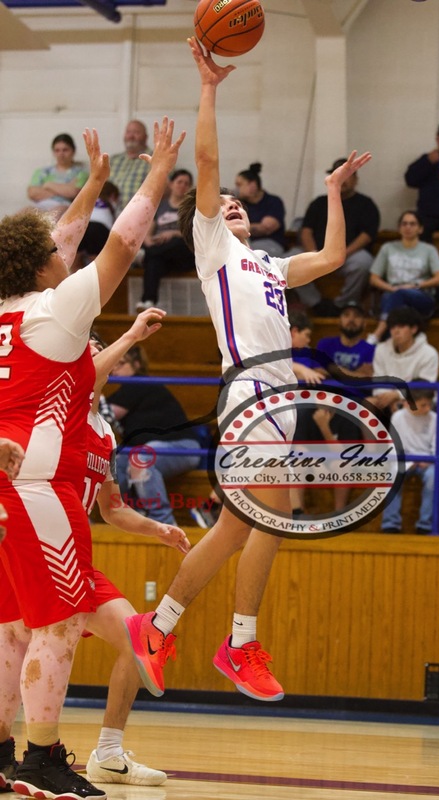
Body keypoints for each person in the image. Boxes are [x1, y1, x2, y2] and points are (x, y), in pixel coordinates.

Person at [123, 36, 372, 703]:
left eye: (237, 203)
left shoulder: (266, 264)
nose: (230, 203)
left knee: (239, 526)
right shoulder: (213, 247)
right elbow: (206, 160)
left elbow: (333, 255)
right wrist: (208, 88)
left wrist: (330, 191)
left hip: (278, 396)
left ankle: (160, 626)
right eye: (222, 202)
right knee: (274, 517)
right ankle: (237, 644)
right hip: (250, 391)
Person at [0, 117, 185, 800]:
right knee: (57, 622)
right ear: (41, 265)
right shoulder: (59, 311)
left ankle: (1, 751)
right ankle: (41, 757)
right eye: (54, 250)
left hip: (6, 479)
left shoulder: (12, 309)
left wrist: (97, 181)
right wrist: (157, 171)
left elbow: (62, 238)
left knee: (12, 622)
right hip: (40, 482)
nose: (63, 250)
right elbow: (123, 245)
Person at [0, 316, 190, 791]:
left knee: (134, 641)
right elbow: (91, 373)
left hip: (75, 559)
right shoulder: (50, 415)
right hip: (34, 545)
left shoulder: (103, 431)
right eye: (83, 352)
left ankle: (108, 751)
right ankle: (24, 754)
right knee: (14, 646)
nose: (89, 359)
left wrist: (158, 530)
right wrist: (128, 337)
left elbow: (113, 508)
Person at [108, 344, 202, 525]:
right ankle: (132, 516)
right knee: (115, 462)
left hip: (182, 446)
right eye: (113, 364)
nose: (114, 369)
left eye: (120, 364)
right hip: (155, 448)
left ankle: (163, 523)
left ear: (136, 364)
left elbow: (107, 413)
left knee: (140, 458)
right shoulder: (126, 389)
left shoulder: (139, 383)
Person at [292, 157, 380, 316]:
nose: (343, 180)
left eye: (347, 176)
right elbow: (306, 231)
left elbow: (367, 235)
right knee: (289, 259)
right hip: (318, 254)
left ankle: (342, 305)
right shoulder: (318, 203)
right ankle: (316, 303)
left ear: (356, 179)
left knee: (364, 262)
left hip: (348, 255)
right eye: (339, 175)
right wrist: (313, 254)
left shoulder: (366, 204)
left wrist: (342, 253)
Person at [369, 210, 439, 342]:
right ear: (399, 228)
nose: (408, 227)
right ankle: (390, 346)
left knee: (399, 295)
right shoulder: (388, 248)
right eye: (404, 224)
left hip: (420, 295)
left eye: (412, 224)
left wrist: (415, 285)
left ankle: (377, 334)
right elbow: (373, 278)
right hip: (392, 292)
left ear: (420, 229)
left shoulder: (429, 250)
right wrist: (391, 288)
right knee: (397, 304)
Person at [136, 168, 197, 309]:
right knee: (154, 262)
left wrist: (174, 233)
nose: (182, 186)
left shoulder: (192, 207)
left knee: (177, 242)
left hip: (184, 253)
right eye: (179, 182)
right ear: (171, 184)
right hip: (162, 253)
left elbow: (196, 233)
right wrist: (149, 241)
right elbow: (148, 230)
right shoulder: (160, 206)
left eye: (186, 183)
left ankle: (144, 255)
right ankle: (148, 300)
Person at [380, 388, 436, 534]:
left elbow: (436, 448)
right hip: (403, 461)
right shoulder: (398, 417)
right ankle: (390, 524)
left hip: (427, 462)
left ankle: (425, 525)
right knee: (393, 474)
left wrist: (428, 460)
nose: (428, 408)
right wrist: (409, 463)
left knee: (433, 478)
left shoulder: (434, 418)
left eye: (429, 404)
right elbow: (392, 447)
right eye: (423, 405)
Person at [371, 306, 439, 414]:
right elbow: (378, 380)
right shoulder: (381, 349)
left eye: (401, 326)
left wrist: (397, 396)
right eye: (393, 327)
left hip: (417, 400)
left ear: (414, 329)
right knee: (367, 404)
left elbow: (425, 387)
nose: (396, 331)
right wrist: (388, 399)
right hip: (387, 399)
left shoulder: (429, 353)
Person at [26, 132, 89, 216]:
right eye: (57, 150)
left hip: (66, 207)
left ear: (73, 151)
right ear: (53, 152)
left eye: (65, 150)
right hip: (41, 205)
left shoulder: (81, 172)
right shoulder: (42, 171)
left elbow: (74, 192)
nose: (61, 154)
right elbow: (32, 193)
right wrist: (64, 189)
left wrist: (48, 185)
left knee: (54, 215)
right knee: (23, 213)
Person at [235, 163, 287, 256]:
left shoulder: (273, 202)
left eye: (239, 185)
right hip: (247, 243)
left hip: (270, 244)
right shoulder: (240, 204)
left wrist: (239, 228)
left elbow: (265, 228)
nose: (237, 189)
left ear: (252, 185)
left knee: (246, 253)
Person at [109, 120, 151, 212]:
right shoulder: (113, 160)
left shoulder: (155, 159)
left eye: (136, 132)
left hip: (140, 215)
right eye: (128, 132)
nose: (131, 136)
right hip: (109, 216)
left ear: (145, 137)